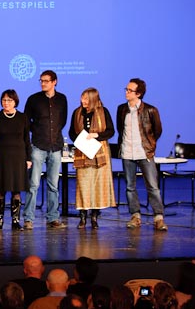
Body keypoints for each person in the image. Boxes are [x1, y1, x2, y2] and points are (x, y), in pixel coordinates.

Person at [116, 78, 168, 231]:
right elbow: (121, 130)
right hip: (127, 152)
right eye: (126, 89)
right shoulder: (121, 109)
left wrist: (150, 146)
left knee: (152, 186)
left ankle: (158, 217)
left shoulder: (150, 110)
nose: (126, 92)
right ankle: (135, 216)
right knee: (130, 187)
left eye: (129, 90)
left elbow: (157, 131)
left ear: (138, 94)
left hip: (144, 152)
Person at [23, 70, 68, 230]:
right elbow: (26, 121)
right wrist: (38, 131)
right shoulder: (33, 99)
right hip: (38, 145)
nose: (43, 83)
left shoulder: (62, 99)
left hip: (55, 146)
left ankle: (53, 218)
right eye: (41, 81)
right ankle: (28, 218)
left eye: (46, 81)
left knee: (53, 185)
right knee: (33, 184)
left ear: (54, 82)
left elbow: (62, 121)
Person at [68, 87, 116, 229]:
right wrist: (80, 140)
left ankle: (94, 217)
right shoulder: (77, 112)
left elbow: (110, 131)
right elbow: (71, 132)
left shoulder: (103, 111)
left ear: (94, 99)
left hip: (99, 152)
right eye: (82, 98)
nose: (83, 101)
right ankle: (83, 217)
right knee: (83, 185)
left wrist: (97, 136)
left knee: (97, 186)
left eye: (86, 99)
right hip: (82, 152)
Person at [0, 89, 32, 231]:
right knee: (1, 190)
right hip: (1, 158)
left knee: (16, 191)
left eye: (9, 100)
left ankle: (15, 221)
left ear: (15, 102)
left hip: (18, 158)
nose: (6, 103)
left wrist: (28, 158)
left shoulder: (23, 117)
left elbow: (26, 139)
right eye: (4, 100)